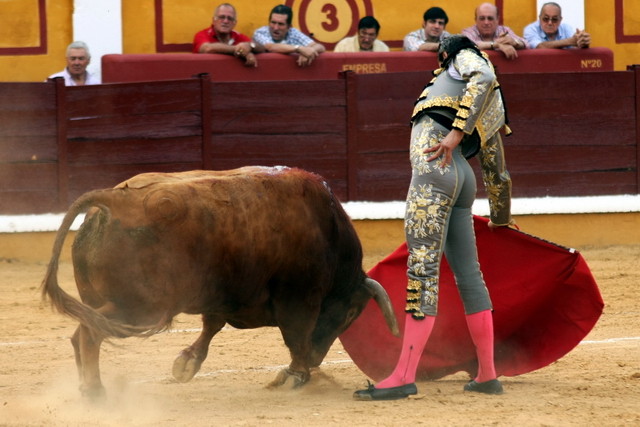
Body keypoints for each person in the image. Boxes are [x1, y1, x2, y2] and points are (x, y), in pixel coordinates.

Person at [353, 34, 515, 401]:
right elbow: (494, 163)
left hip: (436, 171)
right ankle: (487, 374)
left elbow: (483, 77)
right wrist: (501, 216)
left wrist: (455, 134)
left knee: (422, 272)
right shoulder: (488, 102)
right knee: (470, 277)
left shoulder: (465, 61)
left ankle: (404, 376)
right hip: (462, 179)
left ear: (446, 54)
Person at [193, 3, 265, 67]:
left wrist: (250, 46)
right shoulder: (202, 34)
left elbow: (262, 48)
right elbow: (207, 49)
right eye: (221, 17)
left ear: (234, 23)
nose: (225, 21)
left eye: (230, 18)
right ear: (214, 20)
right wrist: (242, 51)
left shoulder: (238, 36)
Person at [253, 4, 325, 67]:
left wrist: (309, 51)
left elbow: (320, 47)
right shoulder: (260, 33)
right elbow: (271, 47)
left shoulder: (293, 32)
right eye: (273, 22)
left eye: (280, 24)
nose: (275, 28)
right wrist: (300, 48)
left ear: (289, 27)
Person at [462, 3, 529, 60]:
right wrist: (497, 44)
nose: (486, 22)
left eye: (490, 18)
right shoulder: (468, 32)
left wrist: (515, 43)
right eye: (482, 18)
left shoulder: (504, 30)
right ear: (476, 20)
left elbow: (526, 43)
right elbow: (470, 45)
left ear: (497, 19)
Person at [523, 2, 591, 49]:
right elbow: (539, 47)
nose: (550, 23)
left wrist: (582, 42)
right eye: (546, 19)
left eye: (554, 19)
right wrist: (570, 41)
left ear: (560, 20)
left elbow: (576, 45)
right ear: (540, 18)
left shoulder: (567, 28)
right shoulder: (530, 29)